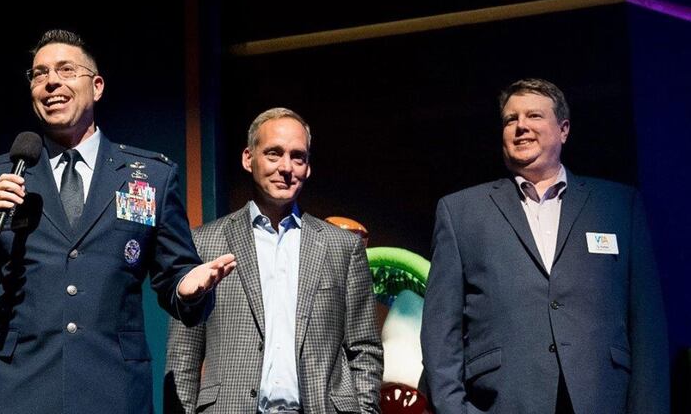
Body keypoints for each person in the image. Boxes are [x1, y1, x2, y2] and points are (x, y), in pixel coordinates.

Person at [0, 29, 235, 414]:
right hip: (14, 393)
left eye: (65, 70)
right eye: (39, 74)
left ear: (96, 86)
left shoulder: (150, 177)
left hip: (112, 392)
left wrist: (187, 288)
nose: (51, 82)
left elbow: (177, 277)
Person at [421, 78, 669, 413]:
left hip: (602, 400)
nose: (521, 126)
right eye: (511, 119)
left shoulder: (619, 206)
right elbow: (440, 332)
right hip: (503, 402)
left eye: (534, 116)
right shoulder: (461, 212)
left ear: (563, 129)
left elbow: (648, 329)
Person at [165, 107, 383, 413]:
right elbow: (183, 357)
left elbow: (364, 349)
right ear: (248, 158)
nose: (286, 167)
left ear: (307, 167)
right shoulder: (204, 242)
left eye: (298, 157)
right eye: (273, 153)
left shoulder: (341, 247)